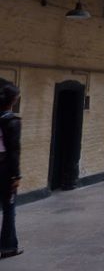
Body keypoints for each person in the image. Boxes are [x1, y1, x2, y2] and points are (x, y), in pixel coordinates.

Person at [0, 83, 22, 259]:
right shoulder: (12, 121)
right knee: (8, 208)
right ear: (14, 100)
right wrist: (16, 175)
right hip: (5, 169)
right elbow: (13, 150)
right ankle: (8, 247)